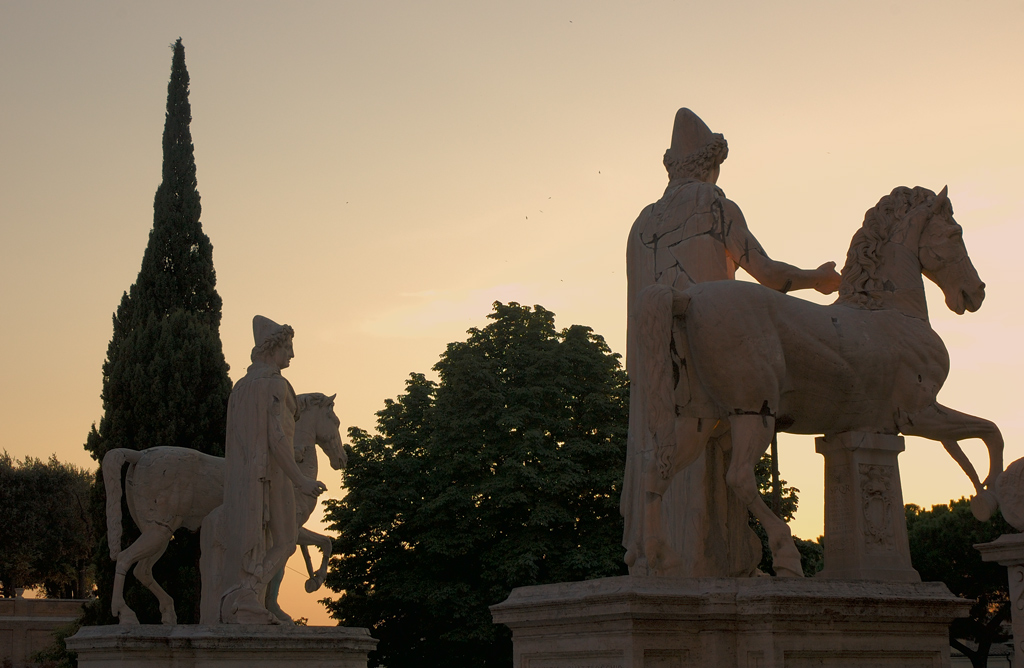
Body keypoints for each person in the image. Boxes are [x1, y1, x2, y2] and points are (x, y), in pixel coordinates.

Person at [621, 108, 841, 577]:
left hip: (654, 365)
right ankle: (717, 561)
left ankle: (651, 551)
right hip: (715, 356)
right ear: (710, 165)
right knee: (722, 460)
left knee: (659, 461)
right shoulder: (715, 205)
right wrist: (817, 280)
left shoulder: (640, 225)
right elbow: (768, 275)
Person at [217, 315, 326, 624]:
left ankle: (242, 596)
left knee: (252, 541)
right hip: (273, 476)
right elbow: (276, 437)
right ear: (274, 347)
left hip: (241, 477)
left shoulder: (240, 387)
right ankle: (247, 595)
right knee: (286, 540)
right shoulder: (275, 384)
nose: (291, 355)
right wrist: (301, 479)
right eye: (288, 347)